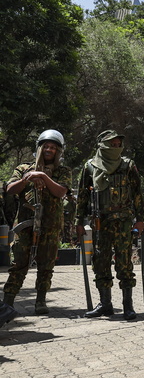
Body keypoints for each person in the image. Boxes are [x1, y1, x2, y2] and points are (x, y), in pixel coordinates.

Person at [75, 130, 144, 320]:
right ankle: (105, 304)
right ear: (101, 146)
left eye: (118, 144)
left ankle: (128, 306)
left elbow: (138, 194)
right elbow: (82, 197)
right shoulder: (90, 167)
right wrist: (78, 222)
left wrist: (140, 219)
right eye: (111, 144)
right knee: (100, 262)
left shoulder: (128, 165)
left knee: (124, 263)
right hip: (100, 222)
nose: (115, 148)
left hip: (123, 221)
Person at [2, 130, 73, 316]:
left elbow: (61, 192)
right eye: (47, 146)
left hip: (50, 226)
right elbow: (10, 189)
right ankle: (7, 302)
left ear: (59, 152)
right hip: (25, 225)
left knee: (46, 266)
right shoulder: (24, 168)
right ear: (40, 148)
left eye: (54, 148)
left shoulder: (63, 171)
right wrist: (28, 177)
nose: (50, 150)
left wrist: (43, 176)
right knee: (18, 264)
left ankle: (40, 300)